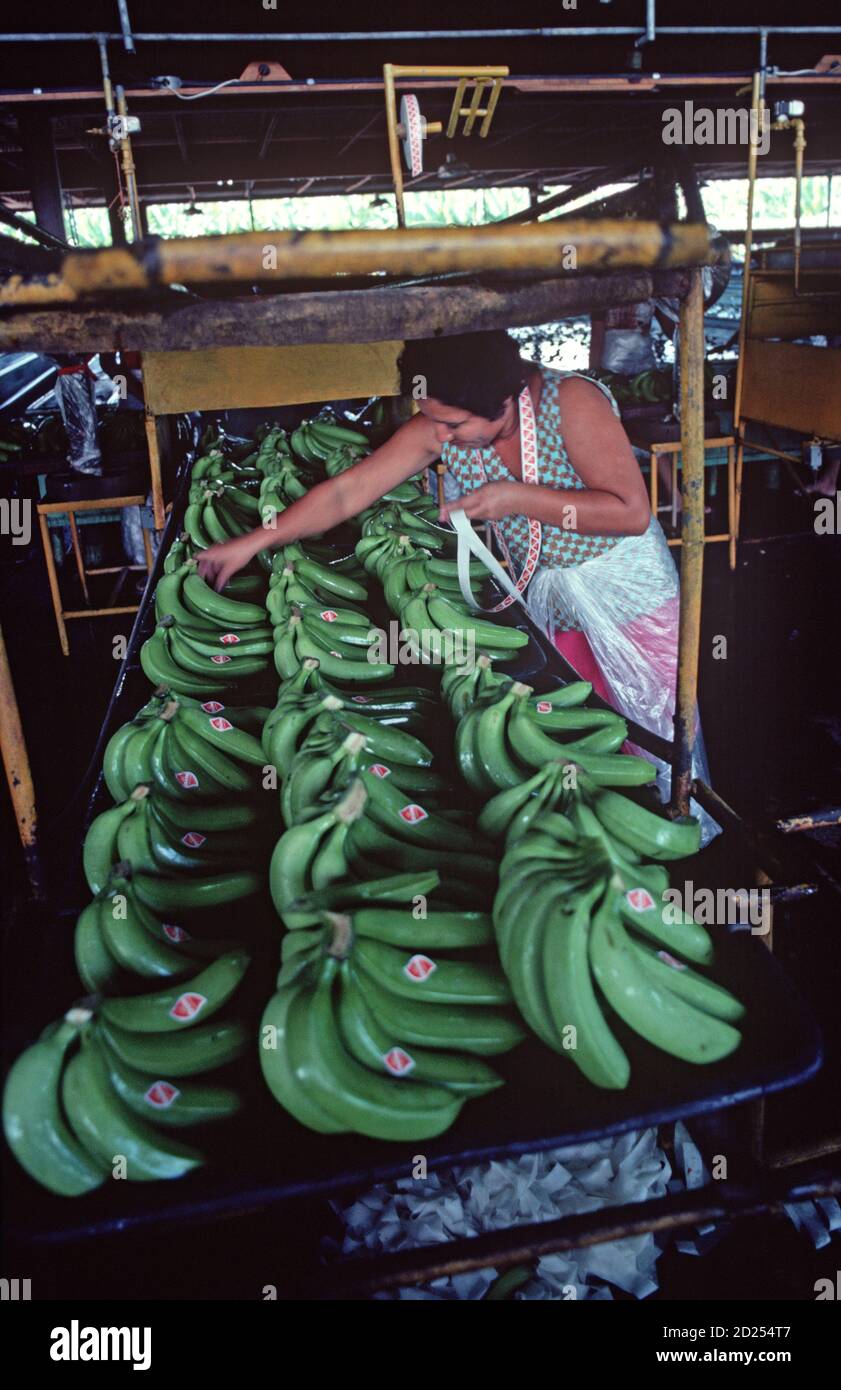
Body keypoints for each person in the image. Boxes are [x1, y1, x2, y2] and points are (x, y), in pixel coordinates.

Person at [197, 330, 707, 790]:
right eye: (433, 419)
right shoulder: (442, 425)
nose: (440, 435)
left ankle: (690, 834)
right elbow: (346, 494)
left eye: (453, 423)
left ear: (503, 401)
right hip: (553, 594)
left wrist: (516, 497)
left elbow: (630, 512)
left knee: (658, 724)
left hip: (626, 591)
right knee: (590, 724)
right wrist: (253, 542)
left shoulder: (570, 402)